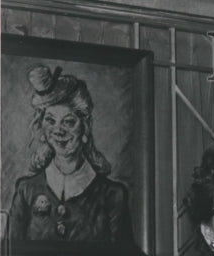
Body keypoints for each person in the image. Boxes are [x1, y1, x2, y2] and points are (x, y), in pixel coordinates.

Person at [8, 63, 135, 245]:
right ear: (42, 127)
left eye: (68, 122)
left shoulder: (113, 195)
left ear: (85, 127)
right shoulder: (26, 190)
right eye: (50, 121)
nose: (58, 131)